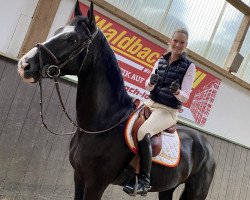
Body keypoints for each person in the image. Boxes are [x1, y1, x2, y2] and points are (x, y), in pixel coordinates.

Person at [123, 28, 196, 196]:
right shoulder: (160, 61)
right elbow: (147, 86)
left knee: (143, 131)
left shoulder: (189, 67)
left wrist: (177, 92)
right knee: (126, 122)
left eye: (182, 42)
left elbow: (185, 97)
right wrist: (151, 82)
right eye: (175, 41)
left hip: (168, 110)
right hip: (150, 103)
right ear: (170, 41)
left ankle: (144, 181)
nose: (178, 45)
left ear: (186, 45)